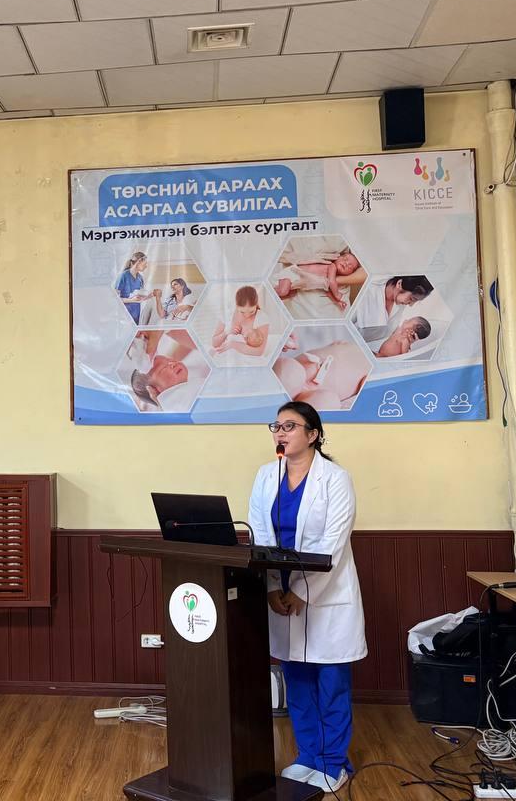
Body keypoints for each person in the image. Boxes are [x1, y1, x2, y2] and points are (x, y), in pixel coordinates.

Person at [248, 402, 366, 794]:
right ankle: (308, 756)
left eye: (290, 426)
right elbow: (259, 534)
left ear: (313, 434)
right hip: (280, 591)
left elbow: (334, 542)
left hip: (325, 593)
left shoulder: (335, 479)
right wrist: (272, 588)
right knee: (297, 679)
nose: (280, 432)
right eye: (276, 426)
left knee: (330, 682)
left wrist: (301, 592)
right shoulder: (266, 476)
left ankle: (334, 762)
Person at [273, 341, 370, 411]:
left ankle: (293, 417)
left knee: (330, 401)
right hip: (297, 371)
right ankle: (274, 396)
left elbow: (366, 386)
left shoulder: (370, 369)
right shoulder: (350, 344)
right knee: (290, 369)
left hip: (315, 394)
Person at [128, 329, 195, 410]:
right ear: (155, 391)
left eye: (169, 360)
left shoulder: (194, 385)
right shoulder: (177, 405)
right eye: (163, 369)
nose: (173, 363)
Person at [274, 252, 363, 310]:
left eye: (350, 266)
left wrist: (337, 302)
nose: (346, 263)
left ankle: (273, 297)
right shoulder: (332, 266)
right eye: (345, 259)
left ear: (350, 273)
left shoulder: (331, 277)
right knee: (283, 292)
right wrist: (338, 295)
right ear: (337, 258)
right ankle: (270, 292)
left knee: (290, 295)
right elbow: (331, 282)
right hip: (293, 273)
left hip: (297, 281)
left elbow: (329, 292)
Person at [354, 275, 433, 334]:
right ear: (399, 284)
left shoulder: (399, 302)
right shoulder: (368, 292)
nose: (411, 305)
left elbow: (389, 331)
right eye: (412, 299)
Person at [211, 285, 270, 356]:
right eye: (242, 312)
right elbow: (214, 344)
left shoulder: (261, 317)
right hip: (227, 357)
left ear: (256, 304)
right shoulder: (227, 314)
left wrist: (233, 344)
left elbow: (259, 352)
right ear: (236, 305)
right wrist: (226, 332)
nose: (247, 315)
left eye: (251, 311)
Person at [115, 251, 158, 325]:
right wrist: (131, 300)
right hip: (124, 316)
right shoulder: (123, 276)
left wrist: (150, 295)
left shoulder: (140, 278)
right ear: (138, 262)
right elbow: (115, 299)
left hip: (136, 315)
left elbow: (140, 298)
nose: (146, 266)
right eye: (145, 264)